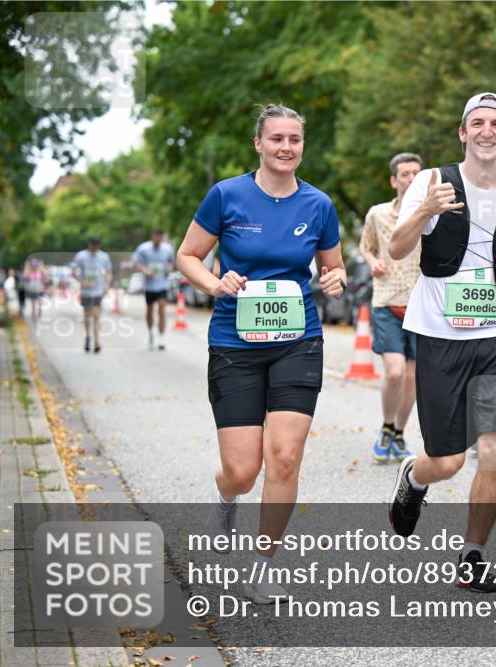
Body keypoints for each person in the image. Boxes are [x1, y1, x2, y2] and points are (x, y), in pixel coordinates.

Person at [176, 104, 346, 604]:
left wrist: (336, 279)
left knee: (286, 457)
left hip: (298, 340)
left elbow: (332, 270)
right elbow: (188, 256)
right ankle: (226, 495)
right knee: (244, 470)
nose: (286, 147)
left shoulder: (318, 205)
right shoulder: (227, 195)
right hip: (235, 342)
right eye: (276, 139)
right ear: (258, 143)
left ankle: (263, 562)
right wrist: (215, 282)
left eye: (294, 139)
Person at [387, 92, 496, 592]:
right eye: (476, 123)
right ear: (463, 133)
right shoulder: (430, 182)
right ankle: (416, 477)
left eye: (495, 123)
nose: (486, 131)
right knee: (449, 460)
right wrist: (424, 211)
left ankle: (473, 554)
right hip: (439, 335)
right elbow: (396, 247)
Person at [360, 153, 424, 463]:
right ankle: (386, 428)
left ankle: (398, 433)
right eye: (405, 174)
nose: (411, 179)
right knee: (396, 371)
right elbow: (365, 246)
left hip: (420, 305)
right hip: (386, 301)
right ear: (394, 180)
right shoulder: (377, 214)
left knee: (412, 378)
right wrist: (373, 262)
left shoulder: (430, 215)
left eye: (416, 173)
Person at [132, 228, 176, 350]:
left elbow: (171, 262)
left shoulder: (168, 249)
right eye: (156, 237)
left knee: (162, 309)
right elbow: (135, 263)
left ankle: (161, 338)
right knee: (149, 310)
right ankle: (151, 331)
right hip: (149, 285)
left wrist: (169, 269)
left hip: (162, 284)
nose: (158, 239)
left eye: (160, 237)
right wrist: (145, 270)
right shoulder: (143, 248)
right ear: (152, 236)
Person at [71, 238, 112, 353]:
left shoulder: (104, 257)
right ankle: (88, 336)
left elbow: (108, 271)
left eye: (96, 246)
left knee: (96, 316)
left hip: (98, 291)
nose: (94, 248)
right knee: (87, 316)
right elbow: (73, 271)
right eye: (92, 246)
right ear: (89, 245)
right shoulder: (81, 256)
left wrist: (107, 284)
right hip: (86, 292)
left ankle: (96, 341)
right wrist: (82, 282)